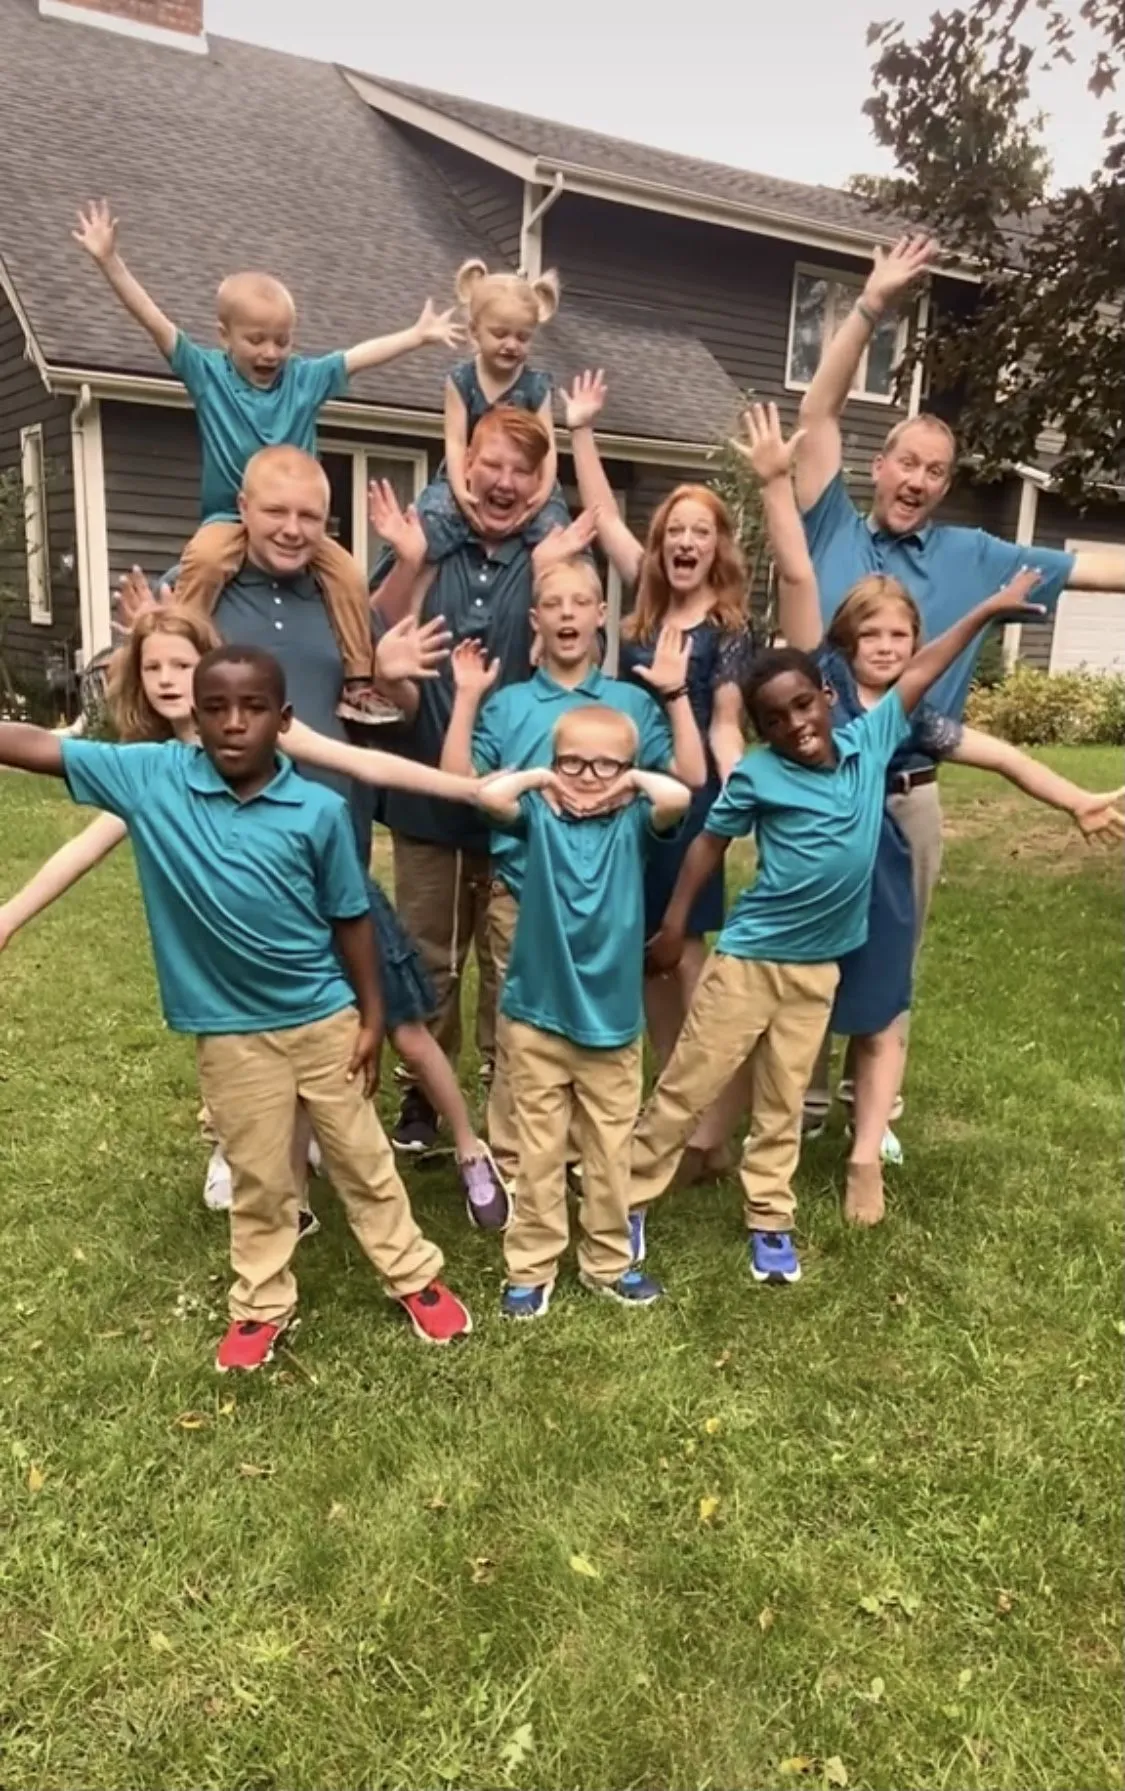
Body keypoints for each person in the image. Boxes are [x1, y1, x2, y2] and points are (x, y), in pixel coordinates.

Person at [0, 646, 474, 1368]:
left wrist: (372, 1018)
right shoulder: (151, 777)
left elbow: (350, 919)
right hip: (229, 1035)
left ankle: (414, 1276)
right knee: (259, 1174)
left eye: (253, 708)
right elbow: (36, 747)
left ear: (283, 720)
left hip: (324, 1020)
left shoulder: (317, 811)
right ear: (194, 715)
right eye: (215, 708)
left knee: (363, 1158)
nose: (232, 723)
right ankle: (260, 1303)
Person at [739, 401, 1125, 1221]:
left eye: (936, 470)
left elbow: (996, 751)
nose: (886, 647)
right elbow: (798, 573)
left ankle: (867, 1134)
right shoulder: (822, 697)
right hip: (818, 835)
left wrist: (1075, 799)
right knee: (801, 973)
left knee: (886, 981)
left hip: (899, 821)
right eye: (906, 461)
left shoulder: (908, 711)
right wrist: (774, 483)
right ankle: (791, 1114)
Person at [112, 449, 512, 1225]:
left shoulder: (340, 595)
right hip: (234, 857)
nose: (293, 529)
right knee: (243, 1005)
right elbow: (157, 678)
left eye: (310, 516)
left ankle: (323, 1136)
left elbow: (381, 719)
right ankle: (241, 1145)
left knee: (343, 1001)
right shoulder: (202, 591)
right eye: (276, 511)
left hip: (333, 841)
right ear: (243, 509)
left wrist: (389, 670)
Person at [627, 570, 1049, 1287]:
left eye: (803, 704)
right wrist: (672, 925)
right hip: (750, 963)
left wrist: (984, 610)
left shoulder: (869, 742)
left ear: (827, 694)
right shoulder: (757, 776)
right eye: (774, 719)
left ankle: (769, 1217)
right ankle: (628, 1199)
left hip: (817, 970)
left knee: (783, 1101)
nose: (795, 723)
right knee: (691, 1080)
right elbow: (707, 845)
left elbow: (923, 668)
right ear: (761, 731)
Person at [793, 231, 1125, 1135]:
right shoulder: (829, 529)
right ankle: (803, 1100)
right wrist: (869, 307)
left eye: (935, 472)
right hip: (818, 789)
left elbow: (1094, 570)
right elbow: (817, 414)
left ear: (944, 485)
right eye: (906, 462)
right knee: (806, 942)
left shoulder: (973, 555)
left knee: (892, 952)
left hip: (911, 790)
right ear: (879, 466)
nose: (918, 480)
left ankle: (871, 1106)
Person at [73, 198, 462, 723]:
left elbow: (357, 356)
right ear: (225, 336)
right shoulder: (208, 375)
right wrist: (109, 262)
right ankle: (180, 654)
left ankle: (357, 681)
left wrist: (415, 336)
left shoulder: (303, 380)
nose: (270, 352)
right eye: (256, 340)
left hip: (298, 520)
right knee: (205, 561)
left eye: (282, 341)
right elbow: (155, 323)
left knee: (347, 573)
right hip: (226, 520)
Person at [367, 411, 597, 1156]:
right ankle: (422, 1094)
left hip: (517, 807)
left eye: (521, 471)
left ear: (540, 483)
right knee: (427, 955)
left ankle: (508, 1087)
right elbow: (373, 632)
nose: (503, 481)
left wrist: (551, 566)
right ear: (464, 466)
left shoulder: (549, 557)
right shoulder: (429, 544)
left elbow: (575, 648)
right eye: (491, 464)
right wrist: (407, 563)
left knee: (508, 960)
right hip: (426, 797)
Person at [439, 552, 707, 1183]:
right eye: (553, 604)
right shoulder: (509, 705)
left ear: (600, 615)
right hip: (521, 893)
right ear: (535, 619)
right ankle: (517, 1163)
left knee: (598, 1031)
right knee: (520, 1028)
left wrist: (673, 695)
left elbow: (691, 775)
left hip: (607, 900)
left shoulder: (628, 702)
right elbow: (459, 781)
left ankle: (591, 1157)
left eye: (580, 602)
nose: (567, 614)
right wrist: (468, 697)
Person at [564, 370, 756, 1177]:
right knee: (649, 953)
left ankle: (716, 1118)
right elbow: (603, 516)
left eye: (698, 531)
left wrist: (742, 801)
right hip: (626, 801)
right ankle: (678, 1112)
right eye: (674, 530)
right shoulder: (644, 608)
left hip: (694, 798)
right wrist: (580, 430)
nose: (684, 542)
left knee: (690, 959)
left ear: (717, 546)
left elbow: (726, 723)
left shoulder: (728, 626)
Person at [476, 707, 690, 1318]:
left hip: (611, 1027)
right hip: (536, 1018)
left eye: (605, 765)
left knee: (609, 1151)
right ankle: (531, 1265)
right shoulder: (539, 816)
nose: (588, 776)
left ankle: (608, 1261)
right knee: (538, 1150)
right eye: (572, 762)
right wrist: (542, 779)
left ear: (627, 770)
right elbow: (489, 797)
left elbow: (677, 797)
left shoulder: (634, 823)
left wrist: (632, 783)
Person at [413, 259, 571, 561]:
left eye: (522, 337)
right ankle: (402, 577)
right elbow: (456, 441)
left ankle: (555, 584)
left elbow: (547, 447)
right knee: (430, 518)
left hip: (528, 481)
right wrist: (460, 490)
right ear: (474, 330)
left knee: (556, 530)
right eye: (500, 334)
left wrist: (543, 491)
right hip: (465, 474)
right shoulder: (461, 380)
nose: (512, 345)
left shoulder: (537, 386)